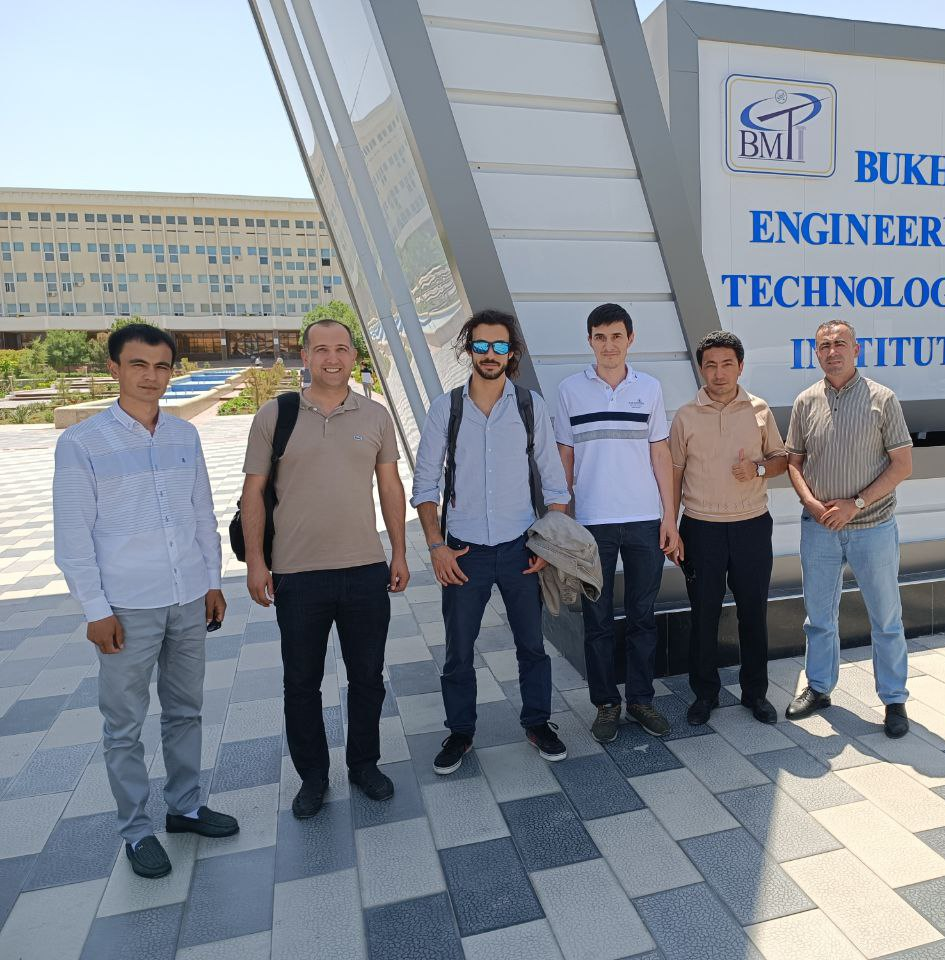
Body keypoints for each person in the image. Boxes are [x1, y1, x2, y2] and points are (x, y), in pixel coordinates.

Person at [53, 322, 239, 880]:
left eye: (161, 367)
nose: (150, 376)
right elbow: (73, 536)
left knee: (185, 711)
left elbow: (202, 514)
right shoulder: (82, 444)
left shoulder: (184, 436)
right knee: (124, 725)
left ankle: (185, 807)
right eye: (138, 364)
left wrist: (213, 581)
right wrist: (95, 610)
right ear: (114, 368)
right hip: (126, 607)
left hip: (188, 597)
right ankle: (136, 831)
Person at [241, 318, 410, 818]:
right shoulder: (275, 415)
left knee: (368, 678)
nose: (331, 358)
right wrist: (256, 563)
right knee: (301, 683)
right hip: (297, 575)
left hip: (365, 570)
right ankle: (312, 777)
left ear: (354, 356)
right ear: (305, 356)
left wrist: (400, 552)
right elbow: (253, 493)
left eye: (341, 349)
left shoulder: (376, 416)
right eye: (321, 349)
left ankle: (364, 764)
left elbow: (390, 487)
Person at [412, 309, 571, 774]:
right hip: (463, 553)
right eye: (480, 345)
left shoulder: (529, 406)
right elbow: (424, 485)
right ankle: (460, 732)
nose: (489, 354)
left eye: (499, 346)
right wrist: (436, 546)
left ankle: (538, 722)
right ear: (468, 350)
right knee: (459, 651)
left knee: (532, 646)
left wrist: (548, 544)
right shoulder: (446, 409)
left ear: (511, 353)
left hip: (521, 548)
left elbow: (555, 483)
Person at [784, 319, 914, 738]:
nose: (832, 351)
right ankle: (819, 687)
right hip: (819, 528)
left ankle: (894, 700)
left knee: (886, 618)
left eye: (840, 343)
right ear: (816, 353)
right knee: (819, 616)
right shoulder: (805, 401)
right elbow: (793, 461)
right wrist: (809, 501)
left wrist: (855, 504)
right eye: (824, 346)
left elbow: (902, 465)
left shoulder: (882, 399)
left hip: (872, 527)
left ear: (856, 350)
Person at [555, 303, 677, 743]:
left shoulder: (650, 388)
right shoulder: (570, 390)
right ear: (590, 340)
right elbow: (565, 457)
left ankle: (641, 700)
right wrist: (561, 521)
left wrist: (669, 517)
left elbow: (660, 454)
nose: (609, 345)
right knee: (597, 619)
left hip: (644, 520)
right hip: (591, 523)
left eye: (617, 336)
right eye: (600, 337)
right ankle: (606, 704)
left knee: (643, 616)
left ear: (631, 339)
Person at [668, 331, 788, 726]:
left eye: (727, 364)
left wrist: (757, 468)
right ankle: (705, 694)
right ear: (701, 369)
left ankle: (756, 693)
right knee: (704, 614)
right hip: (701, 528)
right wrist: (671, 523)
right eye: (711, 365)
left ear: (740, 366)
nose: (719, 373)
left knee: (753, 612)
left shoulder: (759, 409)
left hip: (751, 525)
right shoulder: (685, 416)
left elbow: (781, 459)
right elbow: (674, 473)